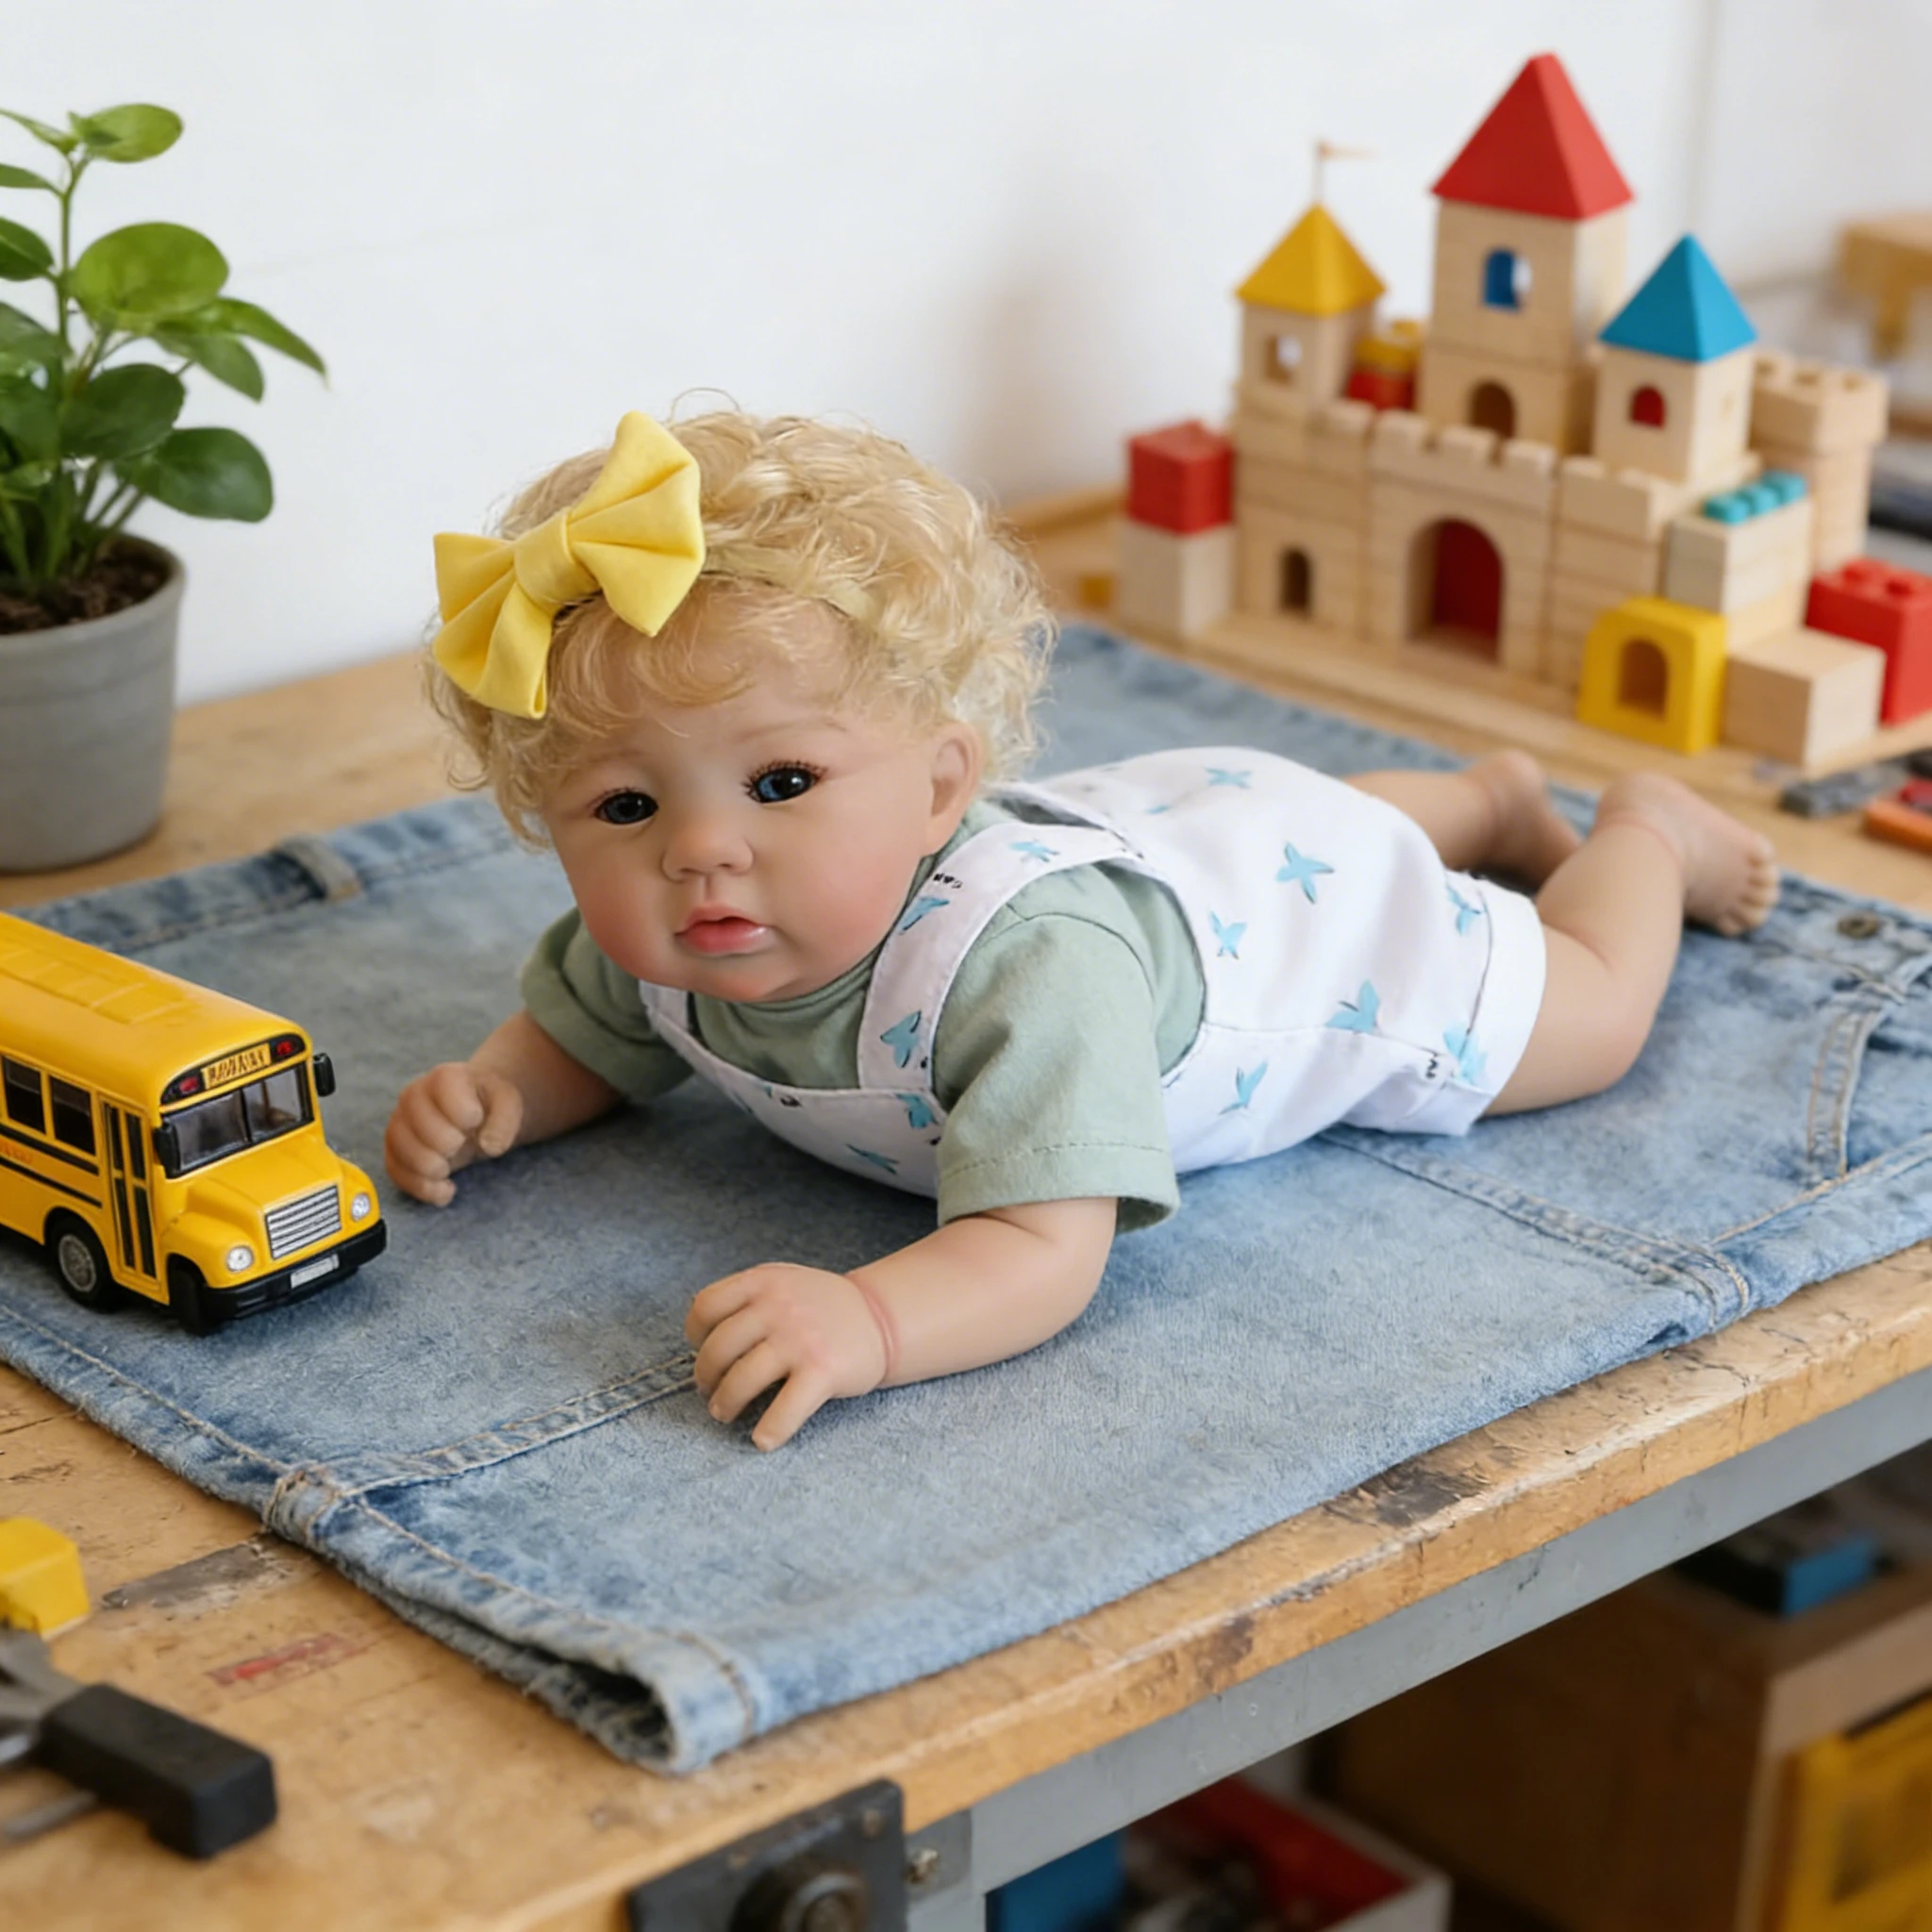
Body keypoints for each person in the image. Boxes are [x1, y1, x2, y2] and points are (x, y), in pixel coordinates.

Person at [387, 410, 1780, 1449]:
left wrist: (869, 1321)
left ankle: (1646, 834)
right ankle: (1486, 797)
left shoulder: (1024, 976)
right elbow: (588, 1029)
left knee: (1583, 1011)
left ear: (942, 785)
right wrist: (505, 1088)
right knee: (1298, 820)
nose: (698, 849)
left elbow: (1041, 1253)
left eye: (781, 784)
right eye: (622, 805)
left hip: (1303, 958)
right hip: (1202, 824)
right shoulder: (688, 927)